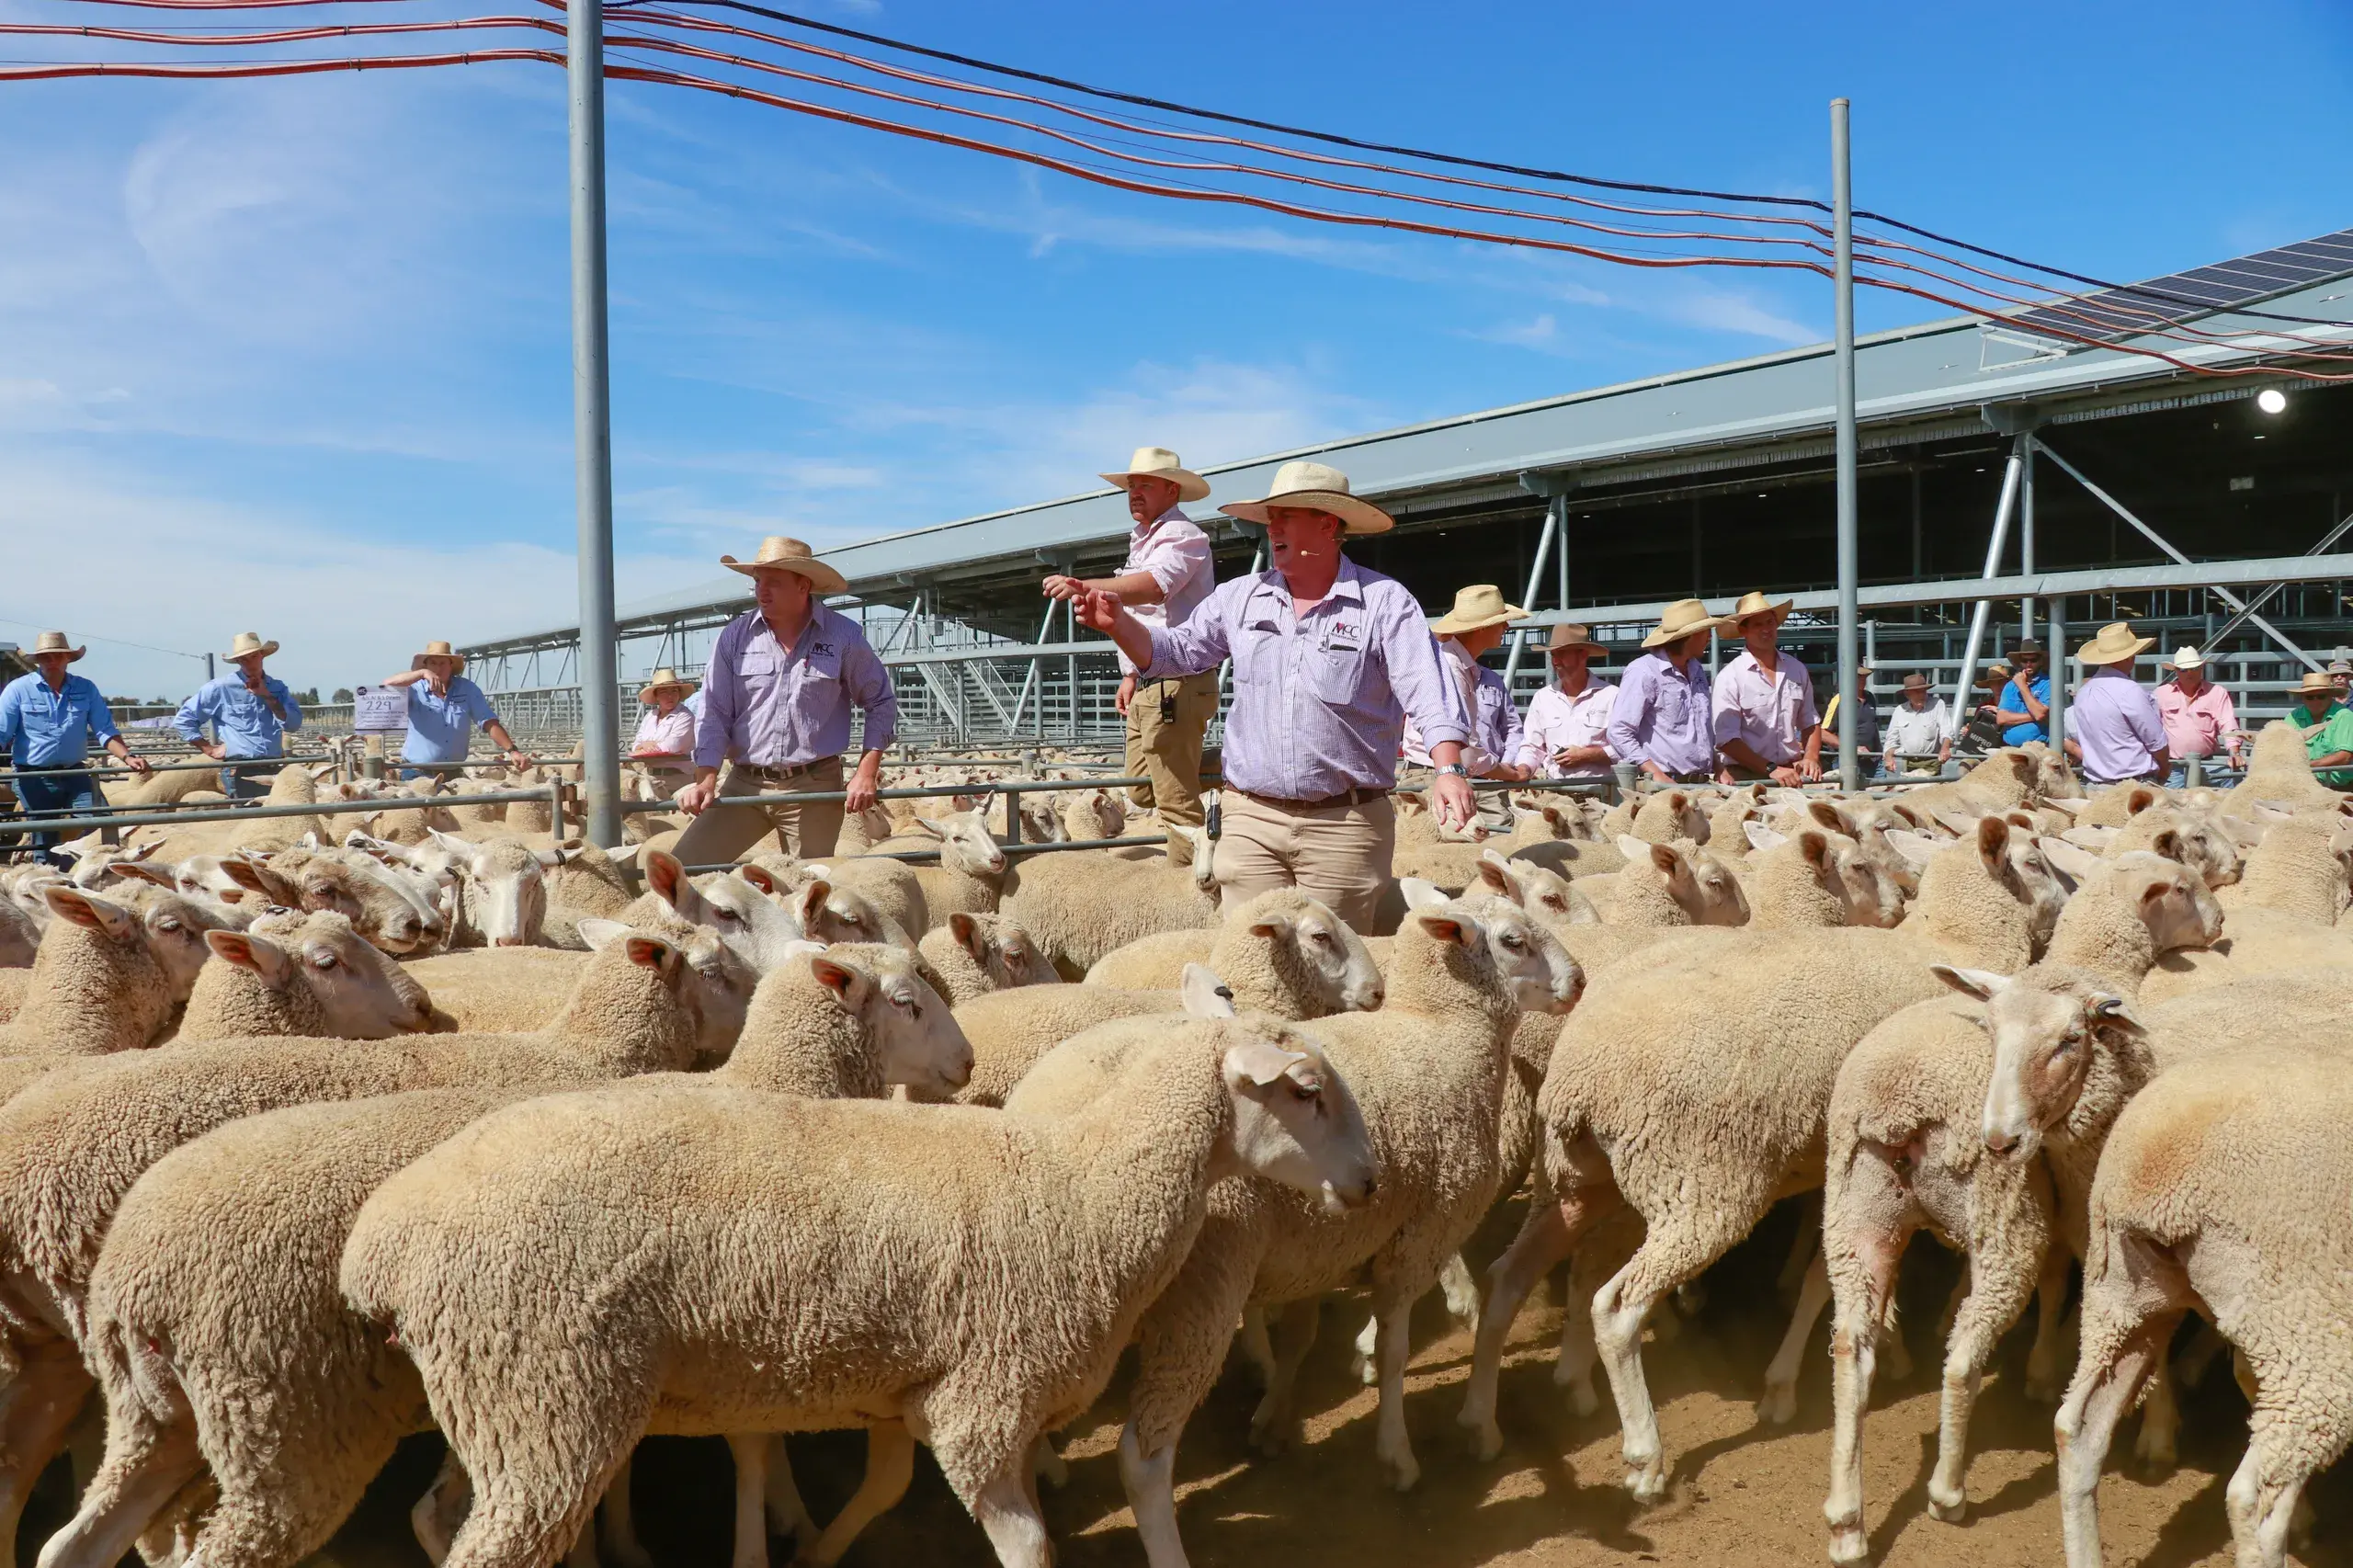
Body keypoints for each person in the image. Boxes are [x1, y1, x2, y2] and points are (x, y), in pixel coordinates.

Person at [1072, 459, 1474, 930]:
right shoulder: (1240, 597)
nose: (1272, 528)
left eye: (1285, 517)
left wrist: (1448, 769)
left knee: (1336, 975)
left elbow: (1426, 687)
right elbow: (1175, 653)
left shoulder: (1384, 602)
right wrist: (1118, 624)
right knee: (1251, 962)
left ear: (1327, 525)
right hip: (1251, 819)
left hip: (1343, 825)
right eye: (1270, 518)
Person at [672, 536, 899, 864]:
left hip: (813, 788)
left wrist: (866, 772)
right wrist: (706, 777)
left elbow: (880, 701)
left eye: (774, 583)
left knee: (810, 893)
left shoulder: (844, 637)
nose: (762, 591)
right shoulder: (735, 636)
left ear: (803, 585)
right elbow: (714, 711)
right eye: (758, 582)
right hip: (745, 784)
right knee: (686, 868)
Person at [1042, 447, 1217, 868]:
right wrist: (1130, 675)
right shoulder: (1145, 540)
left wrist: (1083, 585)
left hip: (1177, 680)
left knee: (1175, 801)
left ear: (1172, 489)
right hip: (1150, 681)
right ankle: (1237, 771)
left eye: (1145, 485)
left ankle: (1186, 885)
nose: (1134, 493)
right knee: (1141, 787)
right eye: (1131, 485)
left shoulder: (1184, 536)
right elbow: (1140, 615)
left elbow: (1154, 588)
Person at [0, 631, 149, 865]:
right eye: (45, 657)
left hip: (75, 772)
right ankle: (48, 881)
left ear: (68, 658)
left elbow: (105, 730)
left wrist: (127, 756)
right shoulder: (18, 690)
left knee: (99, 821)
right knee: (44, 833)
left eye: (58, 656)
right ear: (37, 660)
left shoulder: (85, 689)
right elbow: (2, 731)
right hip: (34, 775)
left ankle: (78, 868)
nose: (52, 661)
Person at [1408, 585, 1531, 833]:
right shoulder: (1451, 667)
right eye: (1501, 622)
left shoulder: (1459, 665)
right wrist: (1508, 774)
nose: (1506, 627)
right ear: (1482, 627)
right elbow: (1465, 747)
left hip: (1442, 773)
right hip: (1441, 774)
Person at [1606, 598, 1733, 786]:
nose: (1709, 637)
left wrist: (1719, 768)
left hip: (1700, 783)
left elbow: (1699, 731)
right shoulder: (1644, 671)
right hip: (1664, 785)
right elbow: (1619, 731)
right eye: (1706, 631)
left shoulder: (1696, 669)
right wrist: (1655, 773)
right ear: (1691, 635)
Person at [1711, 590, 1822, 786]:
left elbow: (1810, 723)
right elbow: (1727, 740)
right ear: (1743, 631)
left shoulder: (1796, 669)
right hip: (1745, 776)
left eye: (1770, 622)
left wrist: (1811, 758)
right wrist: (1771, 768)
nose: (1766, 629)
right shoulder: (1730, 677)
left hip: (1790, 771)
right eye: (1757, 624)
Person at [174, 631, 302, 799]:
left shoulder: (278, 688)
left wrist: (267, 696)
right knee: (254, 819)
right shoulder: (220, 688)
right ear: (237, 661)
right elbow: (184, 720)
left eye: (253, 656)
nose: (249, 663)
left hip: (274, 765)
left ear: (262, 655)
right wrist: (209, 749)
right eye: (243, 659)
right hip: (242, 768)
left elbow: (293, 724)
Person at [376, 640, 529, 779]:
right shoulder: (415, 690)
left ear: (451, 665)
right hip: (417, 772)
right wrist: (421, 674)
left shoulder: (467, 689)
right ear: (426, 666)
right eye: (433, 663)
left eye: (443, 663)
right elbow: (386, 685)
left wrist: (512, 751)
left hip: (453, 773)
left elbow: (488, 721)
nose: (438, 668)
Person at [2064, 622, 2169, 786]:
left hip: (2096, 784)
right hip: (2134, 785)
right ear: (2129, 657)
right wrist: (2164, 768)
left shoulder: (2084, 693)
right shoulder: (2129, 690)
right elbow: (2155, 740)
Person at [1518, 623, 1617, 780]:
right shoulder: (1542, 698)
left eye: (1562, 654)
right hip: (1554, 793)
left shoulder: (1611, 696)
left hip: (1600, 793)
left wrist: (1587, 755)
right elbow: (1532, 746)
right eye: (1553, 655)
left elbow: (1626, 748)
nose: (1556, 661)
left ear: (1583, 655)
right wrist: (1523, 769)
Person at [2152, 645, 2241, 787]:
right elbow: (2151, 728)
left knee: (2232, 786)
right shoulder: (2161, 694)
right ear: (2176, 671)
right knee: (2169, 806)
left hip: (2208, 763)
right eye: (2184, 670)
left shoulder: (2217, 692)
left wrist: (2234, 754)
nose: (2189, 673)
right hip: (2174, 766)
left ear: (2201, 668)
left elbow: (2228, 724)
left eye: (2194, 668)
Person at [629, 668, 699, 799]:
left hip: (676, 779)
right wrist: (644, 744)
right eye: (664, 692)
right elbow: (635, 745)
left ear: (679, 693)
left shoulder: (685, 716)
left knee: (676, 816)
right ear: (656, 696)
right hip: (648, 777)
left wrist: (644, 746)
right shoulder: (650, 716)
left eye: (674, 691)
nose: (670, 696)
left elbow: (672, 746)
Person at [2288, 670, 2353, 789]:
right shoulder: (2294, 716)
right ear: (2303, 698)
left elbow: (2344, 756)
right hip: (2302, 784)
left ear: (2331, 697)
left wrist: (2307, 765)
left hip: (2339, 788)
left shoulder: (2344, 715)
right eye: (2310, 697)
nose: (2316, 701)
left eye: (2321, 696)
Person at [1881, 672, 1952, 777]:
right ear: (1907, 694)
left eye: (1923, 691)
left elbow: (1946, 731)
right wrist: (1888, 757)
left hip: (1932, 762)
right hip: (1907, 763)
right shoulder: (1900, 711)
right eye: (1917, 692)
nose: (1922, 695)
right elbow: (1891, 739)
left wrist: (1945, 748)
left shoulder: (1937, 705)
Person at [1817, 660, 1882, 774]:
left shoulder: (1870, 697)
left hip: (1874, 760)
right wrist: (1851, 749)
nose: (1862, 680)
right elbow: (1823, 733)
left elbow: (1873, 726)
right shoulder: (1839, 699)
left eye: (1864, 677)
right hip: (1848, 761)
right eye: (1858, 677)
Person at [1995, 639, 2052, 746]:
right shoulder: (2011, 685)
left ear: (2040, 661)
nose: (2029, 664)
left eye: (2033, 660)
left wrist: (2022, 686)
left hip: (2040, 746)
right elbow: (2001, 718)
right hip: (2010, 746)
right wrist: (2036, 715)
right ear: (2020, 662)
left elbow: (2039, 714)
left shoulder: (2049, 683)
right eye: (2025, 661)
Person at [1956, 661, 2012, 756]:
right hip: (1984, 750)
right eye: (1994, 683)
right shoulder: (1984, 705)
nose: (1998, 686)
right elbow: (1977, 729)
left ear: (2008, 684)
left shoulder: (2016, 703)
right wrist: (1968, 731)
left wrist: (2000, 712)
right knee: (1964, 765)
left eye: (2001, 682)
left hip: (2007, 748)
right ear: (1990, 686)